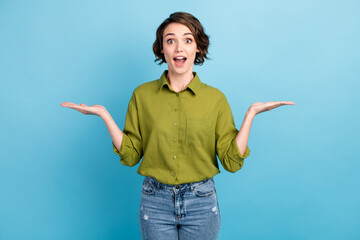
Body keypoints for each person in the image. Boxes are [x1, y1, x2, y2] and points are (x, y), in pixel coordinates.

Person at [61, 12, 294, 240]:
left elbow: (231, 161)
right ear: (162, 49)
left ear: (198, 48)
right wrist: (104, 115)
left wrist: (251, 114)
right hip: (155, 201)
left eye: (188, 40)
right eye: (170, 40)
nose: (179, 48)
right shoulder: (142, 95)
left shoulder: (216, 99)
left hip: (201, 202)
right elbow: (131, 156)